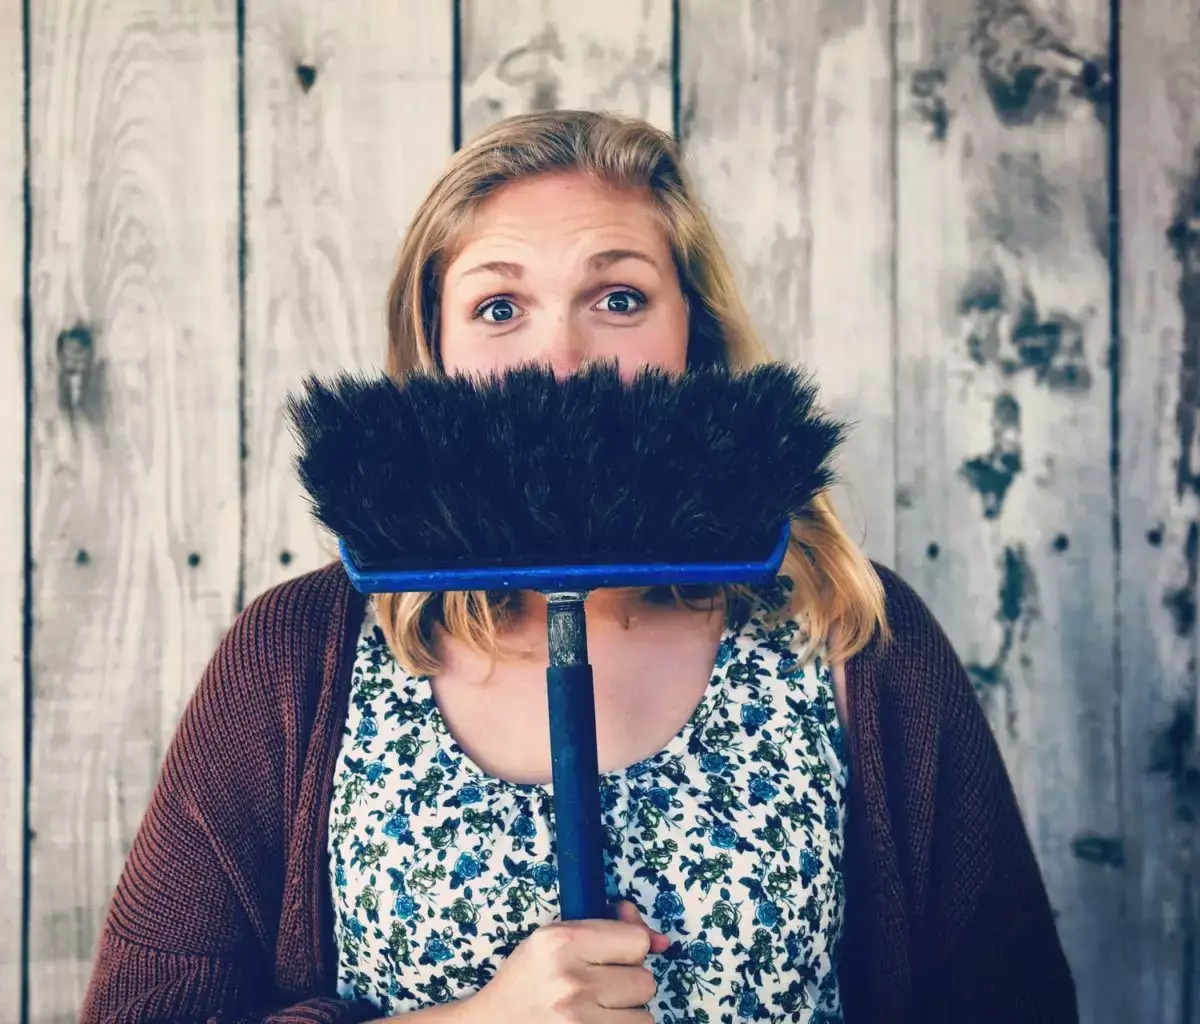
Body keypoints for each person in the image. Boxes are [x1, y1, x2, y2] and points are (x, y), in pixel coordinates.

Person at [80, 109, 1077, 1024]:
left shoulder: (850, 636)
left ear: (695, 334)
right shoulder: (299, 655)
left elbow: (1012, 996)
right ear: (434, 347)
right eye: (500, 307)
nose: (561, 357)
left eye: (617, 295)